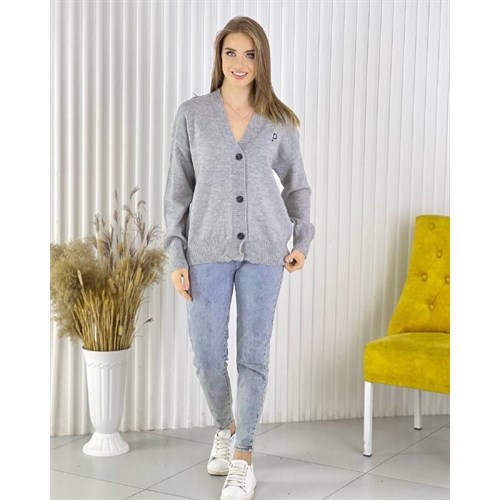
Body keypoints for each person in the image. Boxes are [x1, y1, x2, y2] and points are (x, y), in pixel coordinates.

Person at [163, 16, 315, 500]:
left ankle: (244, 457)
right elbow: (177, 192)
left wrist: (302, 240)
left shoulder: (279, 121)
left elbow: (297, 187)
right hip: (205, 248)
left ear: (261, 59)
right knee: (207, 353)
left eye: (250, 54)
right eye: (231, 52)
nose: (240, 63)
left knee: (254, 356)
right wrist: (175, 253)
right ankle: (226, 427)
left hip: (266, 251)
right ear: (219, 57)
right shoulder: (193, 115)